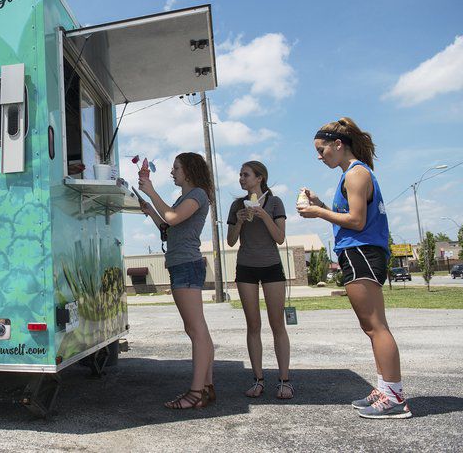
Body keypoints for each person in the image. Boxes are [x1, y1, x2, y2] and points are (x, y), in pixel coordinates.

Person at [298, 117, 411, 419]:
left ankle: (395, 397)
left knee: (376, 326)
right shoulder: (352, 173)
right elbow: (350, 214)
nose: (319, 156)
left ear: (338, 145)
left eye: (322, 150)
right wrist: (321, 203)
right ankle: (385, 388)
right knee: (370, 326)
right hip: (358, 252)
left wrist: (317, 212)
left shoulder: (355, 174)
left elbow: (358, 221)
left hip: (361, 252)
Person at [138, 152, 216, 409]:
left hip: (186, 266)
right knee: (198, 329)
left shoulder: (198, 195)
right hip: (182, 265)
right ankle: (205, 388)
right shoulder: (186, 198)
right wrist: (150, 210)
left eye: (176, 168)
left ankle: (196, 393)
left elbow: (172, 217)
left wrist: (150, 190)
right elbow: (168, 227)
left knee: (196, 330)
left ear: (190, 171)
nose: (172, 172)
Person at [226, 161, 292, 400]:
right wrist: (241, 220)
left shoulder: (275, 203)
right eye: (240, 174)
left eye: (246, 174)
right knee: (253, 326)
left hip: (272, 268)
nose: (241, 178)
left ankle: (284, 381)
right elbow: (231, 241)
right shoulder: (236, 205)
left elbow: (280, 238)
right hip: (246, 269)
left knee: (277, 325)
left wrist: (264, 215)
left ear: (260, 178)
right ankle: (258, 379)